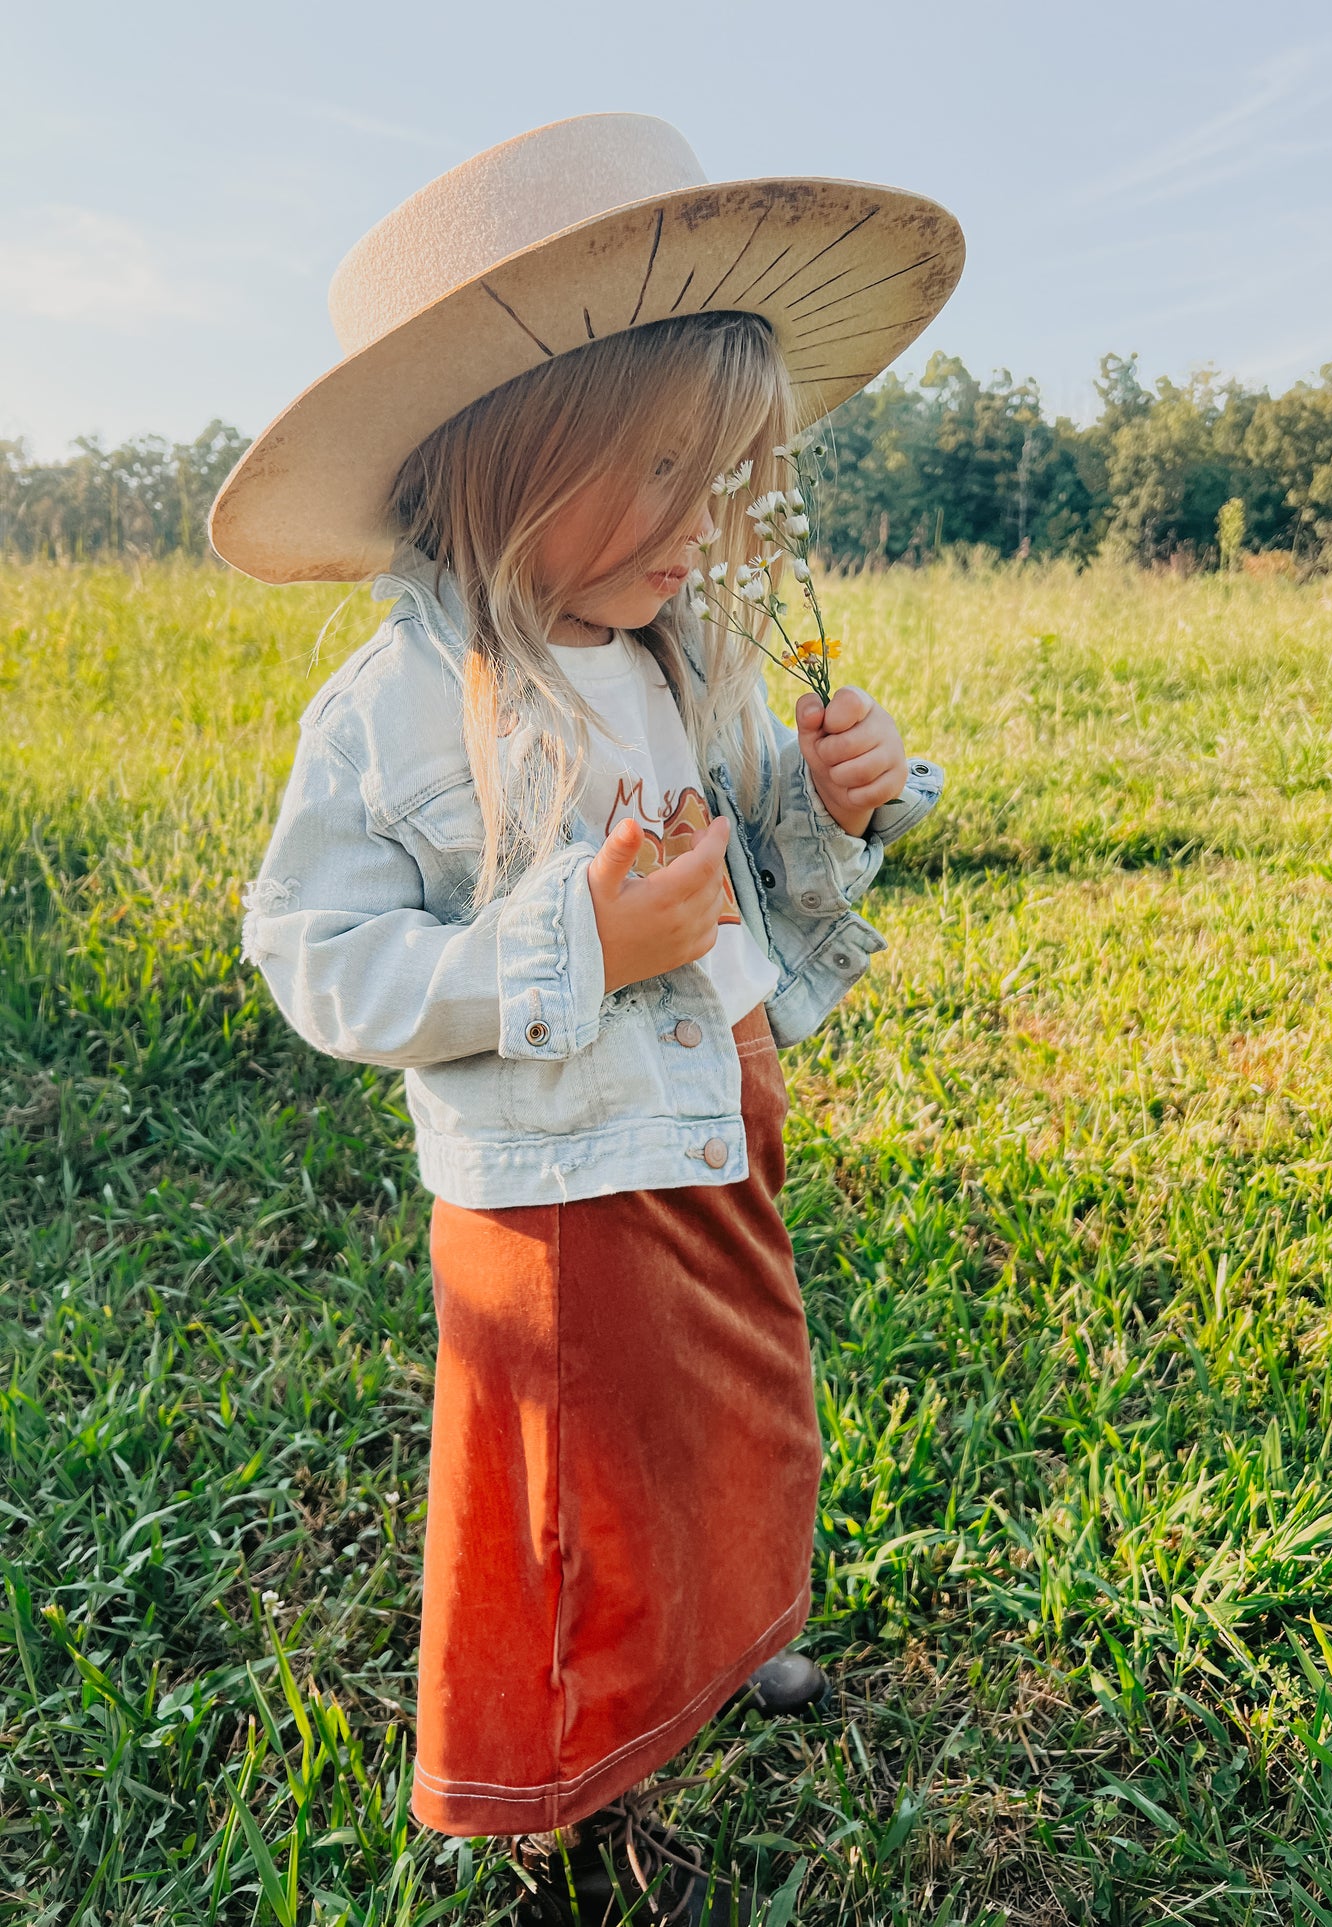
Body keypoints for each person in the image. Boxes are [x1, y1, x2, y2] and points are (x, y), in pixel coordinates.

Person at [215, 113, 961, 1925]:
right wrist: (569, 948)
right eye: (660, 476)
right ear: (511, 458)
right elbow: (315, 954)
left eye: (725, 487)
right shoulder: (397, 706)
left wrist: (826, 797)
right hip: (551, 1180)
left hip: (724, 1094)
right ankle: (552, 1765)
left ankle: (731, 1644)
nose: (703, 529)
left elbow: (743, 855)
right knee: (572, 1479)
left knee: (740, 1411)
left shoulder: (672, 654)